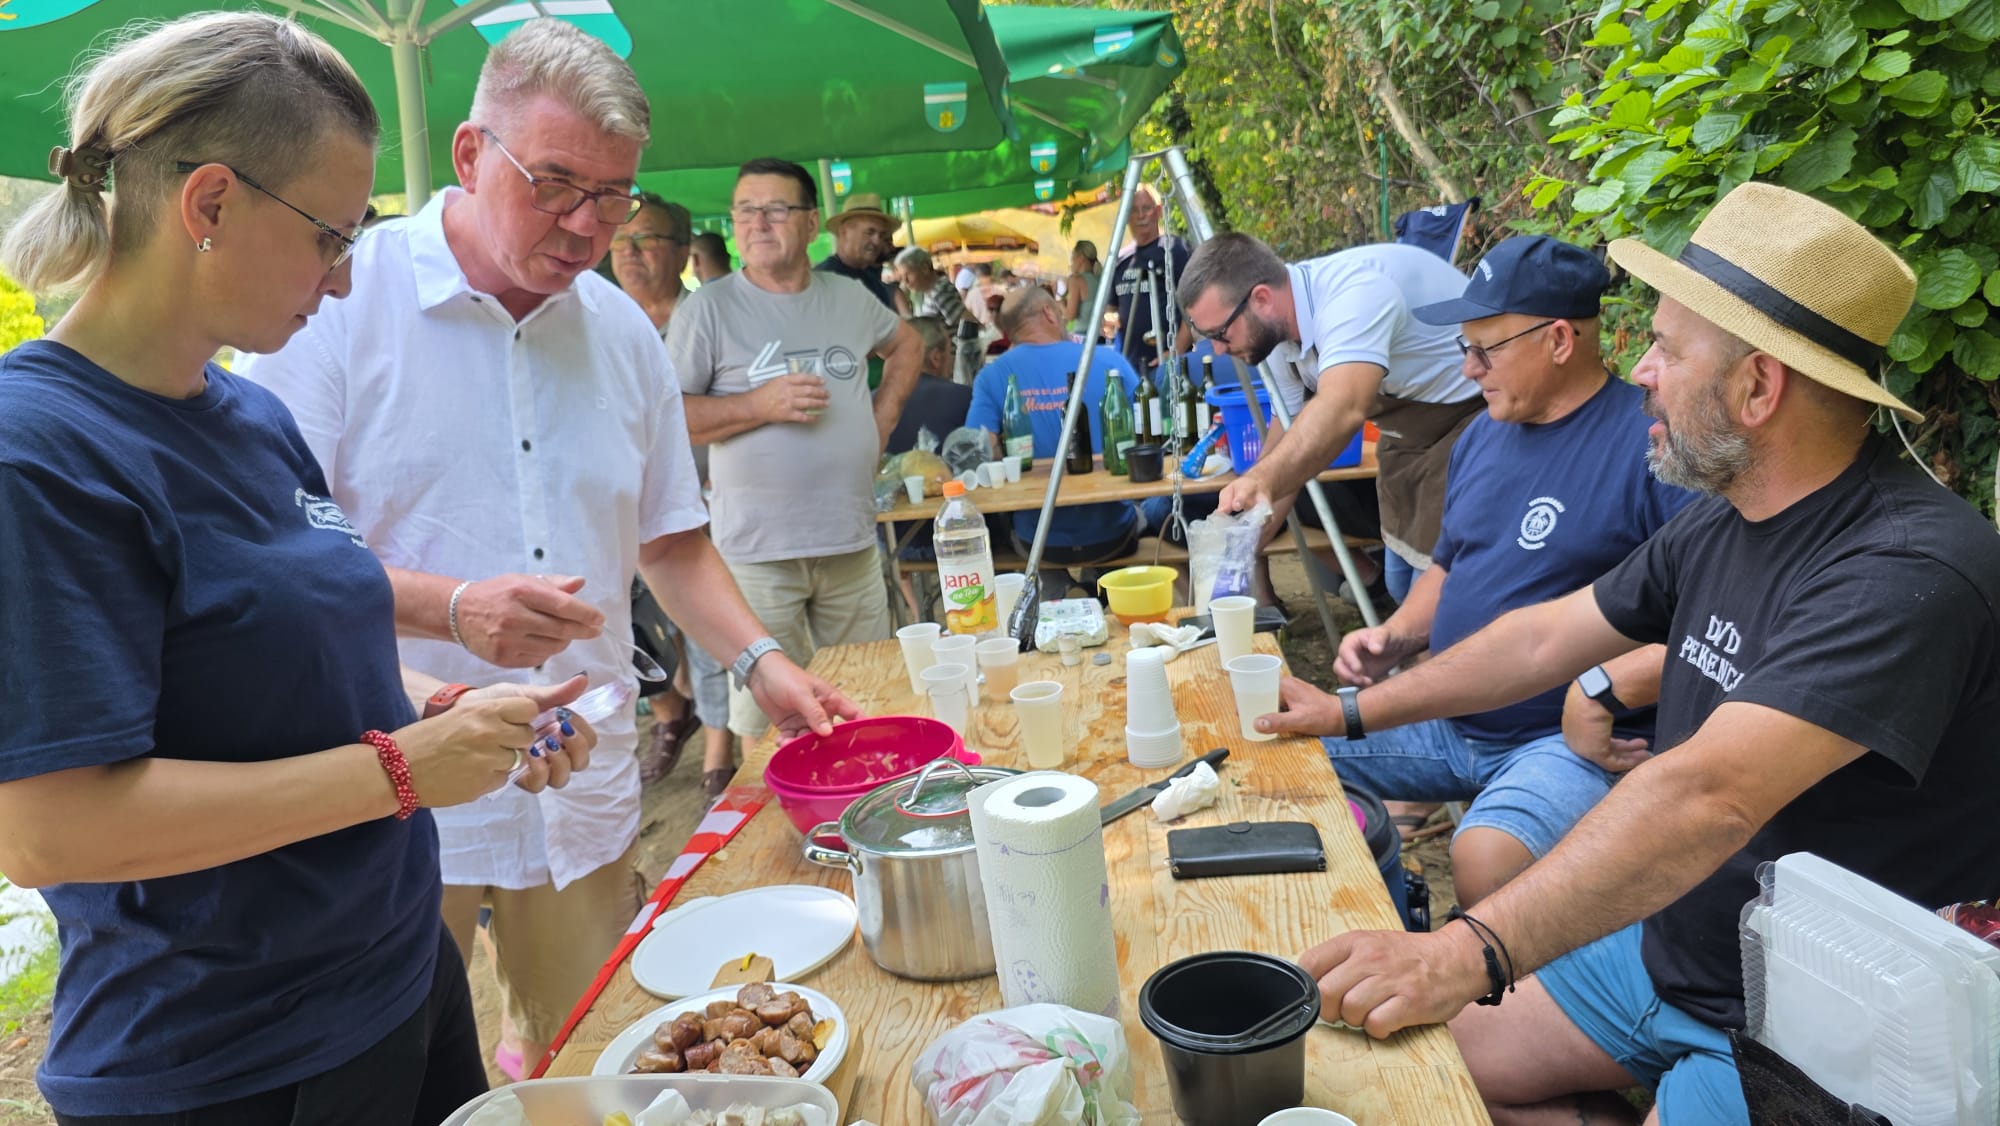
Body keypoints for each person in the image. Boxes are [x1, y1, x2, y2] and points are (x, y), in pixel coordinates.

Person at [1264, 183, 2000, 1125]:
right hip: (1670, 942)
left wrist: (1464, 950)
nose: (1641, 371)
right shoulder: (1729, 520)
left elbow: (1707, 795)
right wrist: (1349, 711)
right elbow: (1540, 637)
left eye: (1666, 348)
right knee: (1379, 1073)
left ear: (1758, 386)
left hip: (1808, 1029)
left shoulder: (1910, 569)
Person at [0, 12, 600, 1123]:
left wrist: (449, 707)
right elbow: (51, 827)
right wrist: (407, 768)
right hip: (227, 1055)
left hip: (395, 978)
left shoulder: (249, 415)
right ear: (211, 204)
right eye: (330, 236)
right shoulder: (37, 450)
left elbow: (286, 671)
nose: (338, 280)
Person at [242, 20, 858, 1080]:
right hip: (392, 784)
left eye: (614, 195)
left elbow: (671, 542)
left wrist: (762, 660)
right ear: (472, 155)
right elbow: (264, 557)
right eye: (557, 184)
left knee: (605, 1064)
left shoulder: (621, 333)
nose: (587, 224)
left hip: (581, 783)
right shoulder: (339, 302)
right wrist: (452, 605)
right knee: (398, 1075)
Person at [1326, 235, 1694, 906]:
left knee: (1485, 857)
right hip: (1454, 722)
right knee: (1288, 763)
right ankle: (1396, 920)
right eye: (1463, 349)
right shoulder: (1481, 435)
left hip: (1563, 738)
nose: (1468, 370)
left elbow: (1704, 622)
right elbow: (1449, 565)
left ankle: (1485, 997)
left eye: (1483, 350)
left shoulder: (1651, 449)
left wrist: (1606, 691)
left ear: (1558, 339)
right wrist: (1396, 638)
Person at [671, 157, 921, 743]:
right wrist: (758, 406)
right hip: (758, 556)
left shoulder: (848, 298)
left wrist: (880, 420)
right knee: (769, 726)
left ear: (811, 225)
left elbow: (906, 345)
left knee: (866, 699)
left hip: (851, 541)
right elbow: (669, 416)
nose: (757, 223)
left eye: (775, 209)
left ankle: (861, 817)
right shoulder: (708, 308)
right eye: (745, 211)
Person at [1189, 232, 1484, 604]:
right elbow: (1289, 436)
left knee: (1433, 607)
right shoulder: (1279, 334)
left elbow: (1342, 408)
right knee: (1396, 585)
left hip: (1470, 431)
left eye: (1220, 333)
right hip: (1407, 442)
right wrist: (1239, 546)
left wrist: (1262, 479)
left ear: (1261, 299)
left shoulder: (1355, 296)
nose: (1217, 349)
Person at [607, 193, 730, 786]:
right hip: (618, 504)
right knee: (637, 620)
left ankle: (717, 745)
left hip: (708, 497)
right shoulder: (594, 318)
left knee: (704, 614)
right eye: (620, 240)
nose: (628, 252)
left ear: (683, 252)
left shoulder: (707, 318)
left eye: (646, 239)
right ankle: (669, 714)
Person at [967, 287, 1144, 571]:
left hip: (1036, 543)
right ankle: (1096, 592)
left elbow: (976, 451)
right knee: (1144, 515)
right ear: (1049, 313)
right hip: (1114, 535)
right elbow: (1150, 430)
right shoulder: (1109, 361)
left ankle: (1060, 592)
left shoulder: (992, 376)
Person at [1109, 185, 1191, 372]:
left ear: (1158, 211)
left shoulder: (1176, 251)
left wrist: (1176, 350)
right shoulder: (1120, 259)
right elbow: (1111, 308)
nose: (1140, 216)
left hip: (1169, 363)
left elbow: (1193, 308)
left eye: (1146, 208)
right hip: (1130, 365)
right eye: (1133, 210)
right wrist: (1109, 319)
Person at [886, 315, 972, 454]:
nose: (952, 359)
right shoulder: (963, 397)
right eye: (951, 351)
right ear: (936, 358)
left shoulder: (872, 402)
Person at [816, 192, 902, 313]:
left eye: (881, 235)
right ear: (844, 233)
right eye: (869, 232)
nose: (877, 241)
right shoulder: (823, 280)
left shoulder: (873, 281)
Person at [894, 245, 968, 335]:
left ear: (924, 268)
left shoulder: (939, 292)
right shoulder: (931, 292)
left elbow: (969, 322)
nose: (905, 282)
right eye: (902, 277)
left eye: (908, 274)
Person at [1064, 239, 1103, 337]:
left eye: (1073, 257)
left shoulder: (1076, 280)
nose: (1071, 262)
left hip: (1082, 337)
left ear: (1081, 258)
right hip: (1100, 336)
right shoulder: (1101, 279)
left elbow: (1071, 315)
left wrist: (1059, 304)